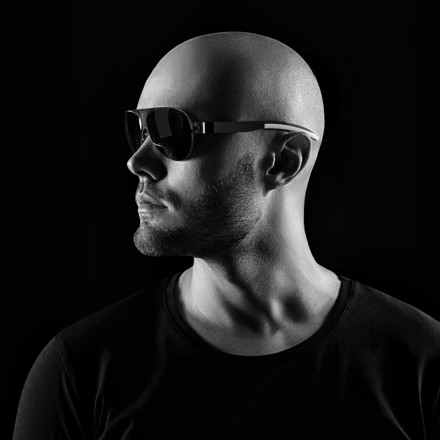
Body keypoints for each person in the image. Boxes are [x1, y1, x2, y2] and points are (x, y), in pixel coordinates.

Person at [13, 31, 439, 440]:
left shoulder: (423, 366)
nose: (137, 162)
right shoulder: (80, 369)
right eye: (139, 131)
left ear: (283, 161)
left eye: (171, 132)